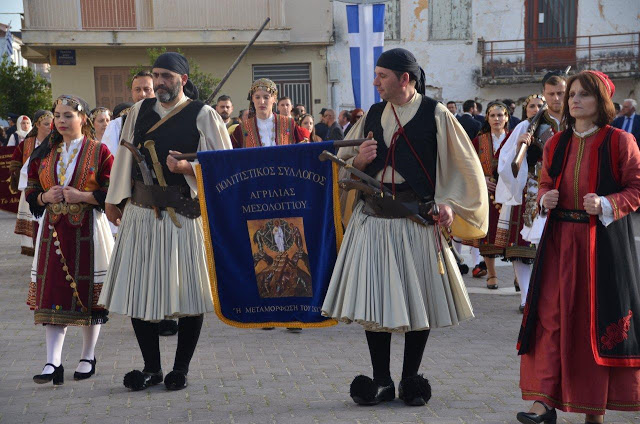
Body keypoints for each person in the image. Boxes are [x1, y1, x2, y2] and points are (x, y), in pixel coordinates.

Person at [321, 48, 488, 407]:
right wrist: (359, 160)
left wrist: (447, 204)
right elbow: (345, 161)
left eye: (382, 76)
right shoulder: (373, 114)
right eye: (376, 75)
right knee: (373, 300)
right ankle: (381, 380)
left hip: (416, 217)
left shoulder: (436, 113)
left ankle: (411, 378)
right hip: (374, 218)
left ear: (404, 79)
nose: (375, 82)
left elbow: (464, 167)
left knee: (419, 300)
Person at [98, 52, 232, 391]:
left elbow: (225, 166)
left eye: (166, 77)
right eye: (156, 76)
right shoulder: (139, 112)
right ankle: (151, 368)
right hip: (142, 213)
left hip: (183, 215)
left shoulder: (204, 115)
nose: (159, 83)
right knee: (138, 291)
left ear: (182, 80)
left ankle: (180, 369)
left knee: (189, 294)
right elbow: (125, 158)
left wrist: (190, 169)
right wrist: (114, 199)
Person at [516, 70, 640, 424]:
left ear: (601, 101)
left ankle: (593, 410)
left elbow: (636, 188)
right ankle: (543, 403)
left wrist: (605, 203)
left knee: (591, 320)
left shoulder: (620, 142)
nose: (574, 100)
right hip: (558, 246)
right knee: (551, 319)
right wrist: (544, 198)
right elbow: (542, 183)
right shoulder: (556, 143)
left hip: (599, 247)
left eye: (583, 94)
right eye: (572, 94)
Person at [25, 95, 114, 385]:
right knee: (52, 293)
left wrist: (84, 196)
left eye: (67, 115)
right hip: (52, 231)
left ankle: (88, 356)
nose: (61, 121)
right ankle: (53, 362)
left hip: (89, 229)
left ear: (83, 118)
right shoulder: (45, 153)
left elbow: (111, 189)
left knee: (91, 296)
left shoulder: (99, 151)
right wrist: (43, 196)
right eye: (57, 116)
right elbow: (30, 189)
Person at [495, 73, 566, 311]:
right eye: (551, 93)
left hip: (569, 191)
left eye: (560, 93)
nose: (556, 98)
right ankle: (526, 297)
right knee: (522, 249)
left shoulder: (577, 121)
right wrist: (519, 146)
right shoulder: (527, 126)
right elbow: (507, 162)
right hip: (533, 189)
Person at [463, 102, 512, 289]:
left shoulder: (514, 139)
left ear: (507, 117)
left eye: (501, 115)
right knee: (488, 234)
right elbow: (469, 165)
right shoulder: (479, 141)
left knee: (512, 235)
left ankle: (517, 275)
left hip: (510, 194)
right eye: (493, 115)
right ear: (487, 118)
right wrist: (483, 179)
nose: (497, 119)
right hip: (488, 194)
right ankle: (492, 275)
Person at [9, 110, 53, 256]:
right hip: (31, 190)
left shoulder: (56, 142)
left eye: (52, 123)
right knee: (33, 222)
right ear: (37, 125)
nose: (50, 126)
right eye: (46, 124)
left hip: (50, 190)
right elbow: (15, 161)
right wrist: (18, 175)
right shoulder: (27, 143)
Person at [231, 79, 306, 148]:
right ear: (252, 99)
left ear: (274, 99)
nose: (261, 102)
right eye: (257, 97)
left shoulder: (289, 124)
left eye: (266, 97)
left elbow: (303, 150)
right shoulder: (242, 129)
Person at [101, 70, 155, 156]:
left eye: (147, 89)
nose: (143, 94)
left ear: (155, 91)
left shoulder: (165, 119)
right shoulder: (117, 126)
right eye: (137, 90)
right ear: (132, 93)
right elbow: (109, 161)